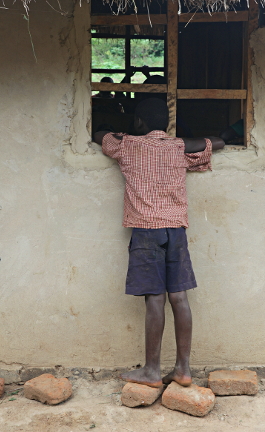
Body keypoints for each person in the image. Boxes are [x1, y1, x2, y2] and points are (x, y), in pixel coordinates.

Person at [93, 98, 224, 388]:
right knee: (179, 297)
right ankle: (183, 369)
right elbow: (216, 142)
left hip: (146, 231)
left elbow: (99, 136)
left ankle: (152, 370)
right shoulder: (178, 147)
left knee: (155, 297)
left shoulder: (127, 145)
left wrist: (110, 128)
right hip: (175, 230)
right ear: (167, 124)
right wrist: (191, 139)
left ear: (138, 123)